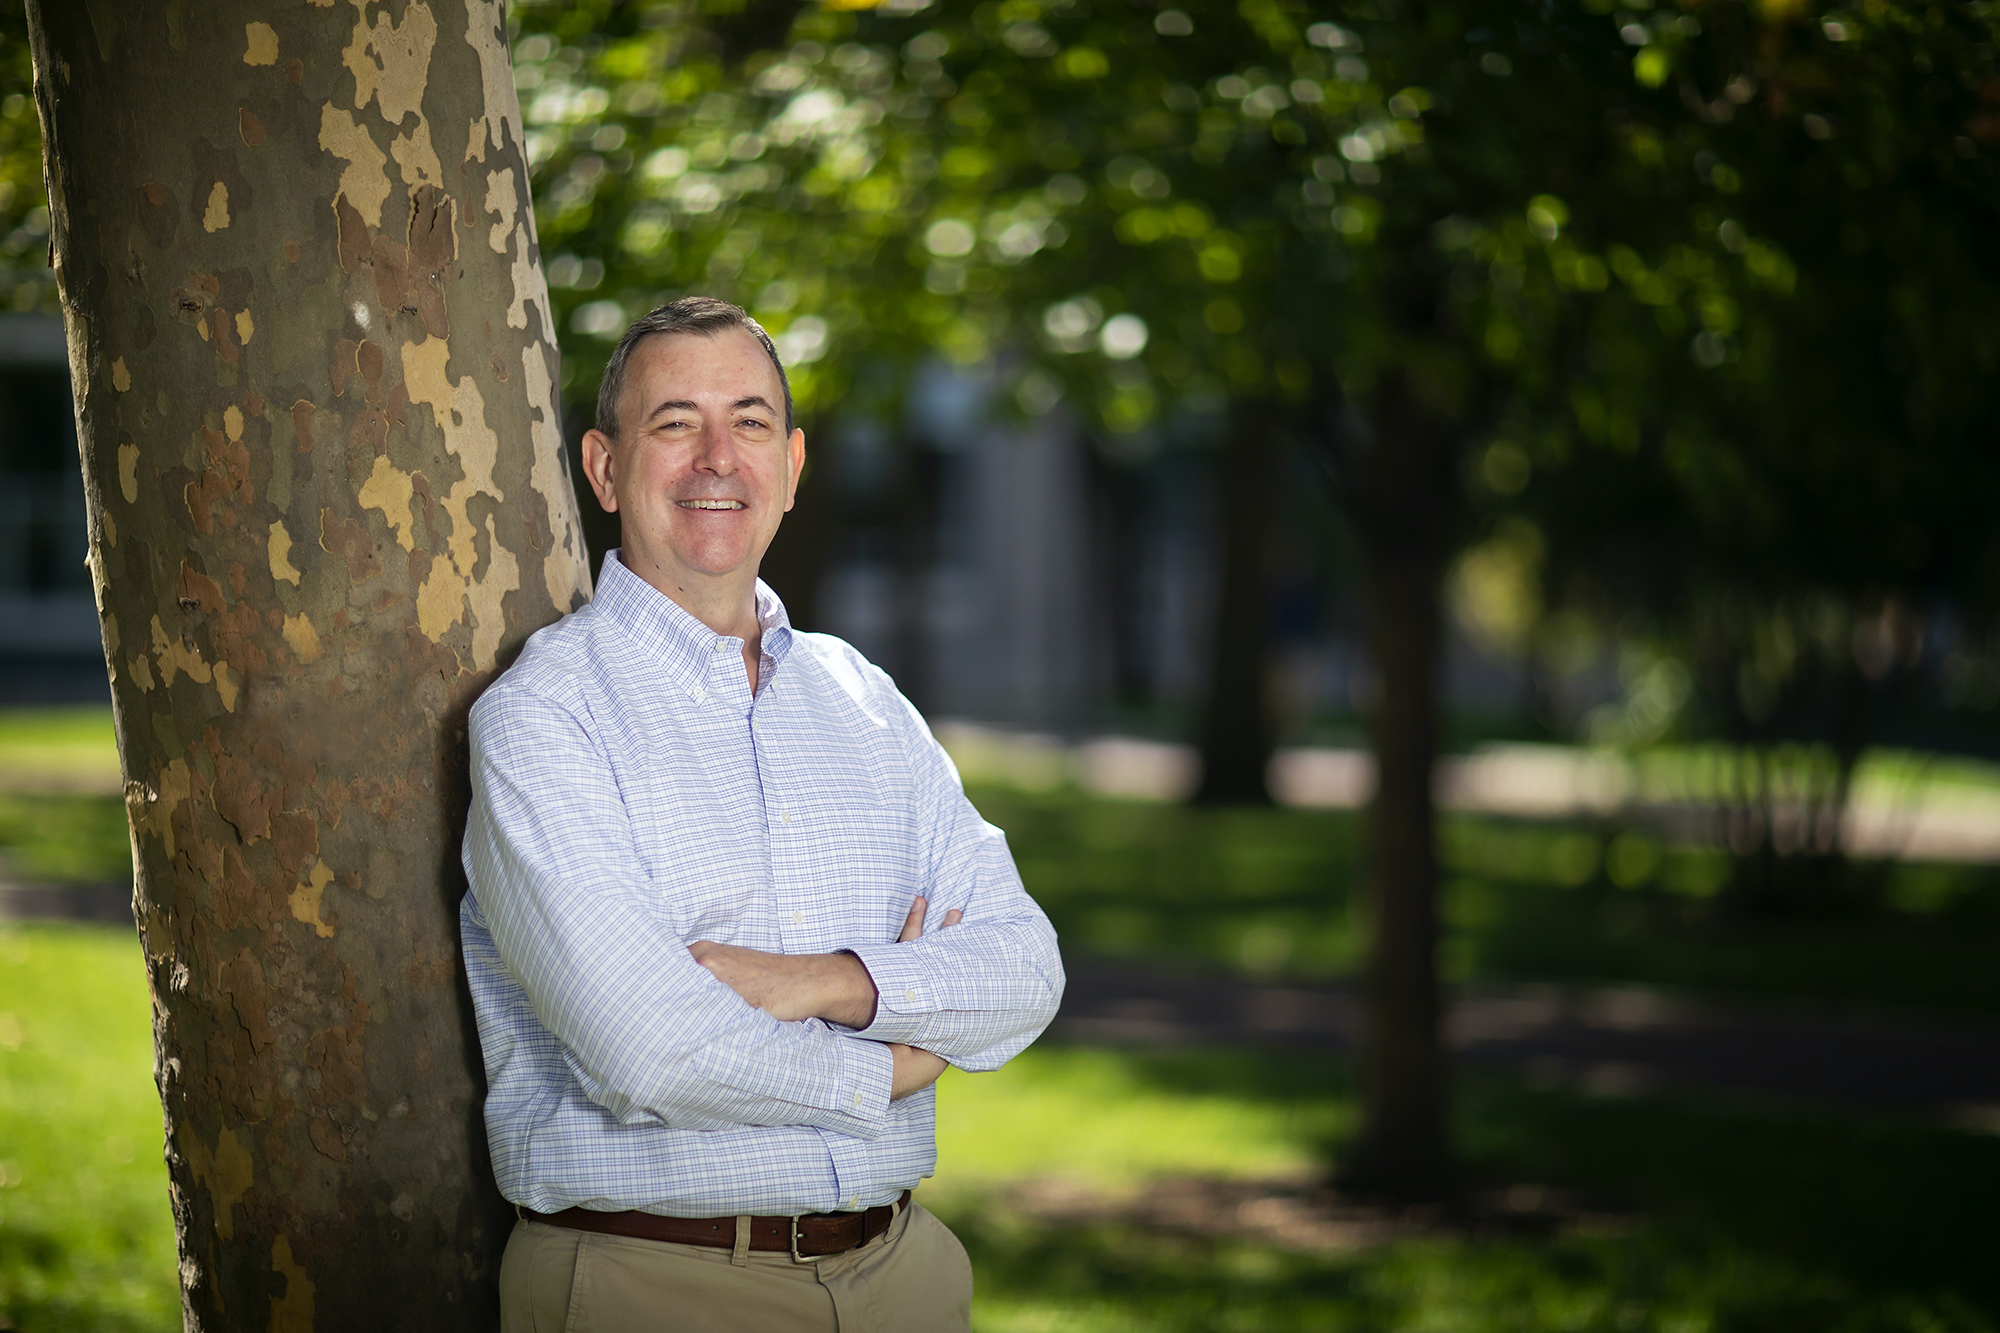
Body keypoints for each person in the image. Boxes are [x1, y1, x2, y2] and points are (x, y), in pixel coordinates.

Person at [459, 296, 1064, 1332]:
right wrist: (894, 1062)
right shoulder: (544, 714)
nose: (714, 460)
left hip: (906, 1278)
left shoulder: (862, 696)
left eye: (746, 423)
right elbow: (649, 1049)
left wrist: (817, 982)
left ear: (790, 465)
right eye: (673, 423)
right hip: (652, 1284)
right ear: (604, 469)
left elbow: (1024, 970)